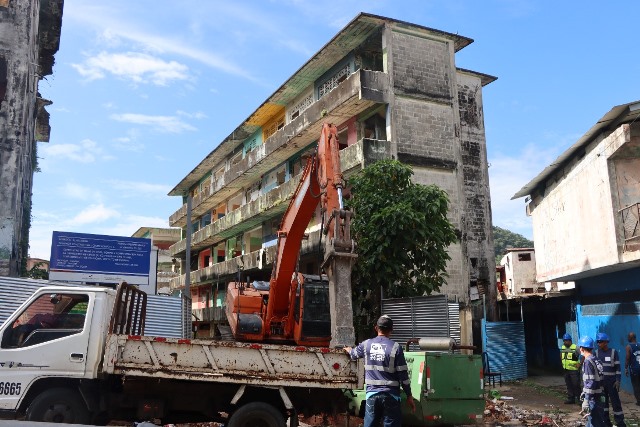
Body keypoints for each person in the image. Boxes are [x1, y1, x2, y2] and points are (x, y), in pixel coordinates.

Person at [344, 315, 416, 427]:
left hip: (372, 395)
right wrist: (409, 395)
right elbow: (403, 375)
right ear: (391, 330)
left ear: (376, 328)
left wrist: (349, 350)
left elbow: (353, 355)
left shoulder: (366, 345)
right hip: (391, 396)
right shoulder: (396, 348)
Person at [595, 332, 625, 427]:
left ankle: (620, 423)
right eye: (598, 342)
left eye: (600, 342)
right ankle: (606, 423)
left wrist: (618, 380)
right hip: (602, 384)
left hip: (612, 384)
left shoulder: (613, 352)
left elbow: (618, 368)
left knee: (616, 404)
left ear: (606, 342)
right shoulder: (596, 353)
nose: (599, 343)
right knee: (603, 404)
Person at [579, 336, 606, 427]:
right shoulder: (596, 359)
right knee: (593, 421)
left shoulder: (587, 361)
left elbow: (590, 382)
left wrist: (586, 399)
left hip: (593, 398)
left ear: (582, 348)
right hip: (600, 395)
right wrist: (584, 392)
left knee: (595, 422)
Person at [560, 333, 582, 404]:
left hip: (574, 370)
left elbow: (584, 355)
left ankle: (579, 399)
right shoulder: (563, 347)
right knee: (568, 384)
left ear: (570, 340)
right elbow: (561, 355)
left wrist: (580, 363)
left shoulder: (576, 347)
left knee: (576, 385)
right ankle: (571, 398)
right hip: (566, 370)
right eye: (564, 341)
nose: (565, 342)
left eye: (566, 341)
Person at [625, 332, 640, 406]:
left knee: (636, 385)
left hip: (634, 369)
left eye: (629, 336)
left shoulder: (628, 346)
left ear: (632, 338)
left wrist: (626, 368)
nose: (627, 337)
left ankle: (639, 401)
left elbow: (627, 358)